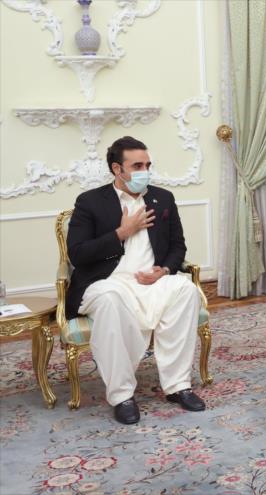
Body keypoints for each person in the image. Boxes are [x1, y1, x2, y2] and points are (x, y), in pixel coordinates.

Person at [66, 136, 206, 424]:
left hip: (152, 280)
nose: (146, 170)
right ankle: (122, 395)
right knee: (110, 300)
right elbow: (78, 255)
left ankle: (178, 386)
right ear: (117, 169)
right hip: (107, 282)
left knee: (186, 290)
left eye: (148, 164)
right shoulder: (90, 202)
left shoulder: (162, 198)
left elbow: (178, 246)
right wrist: (121, 233)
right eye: (137, 165)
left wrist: (164, 270)